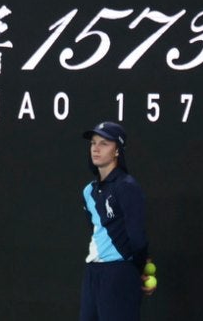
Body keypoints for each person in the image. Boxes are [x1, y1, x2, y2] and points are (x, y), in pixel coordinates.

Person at [79, 121, 154, 321]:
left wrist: (138, 270)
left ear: (117, 151)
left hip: (119, 274)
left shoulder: (127, 186)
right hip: (93, 274)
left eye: (104, 143)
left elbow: (137, 237)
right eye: (93, 142)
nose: (96, 148)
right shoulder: (88, 191)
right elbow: (97, 229)